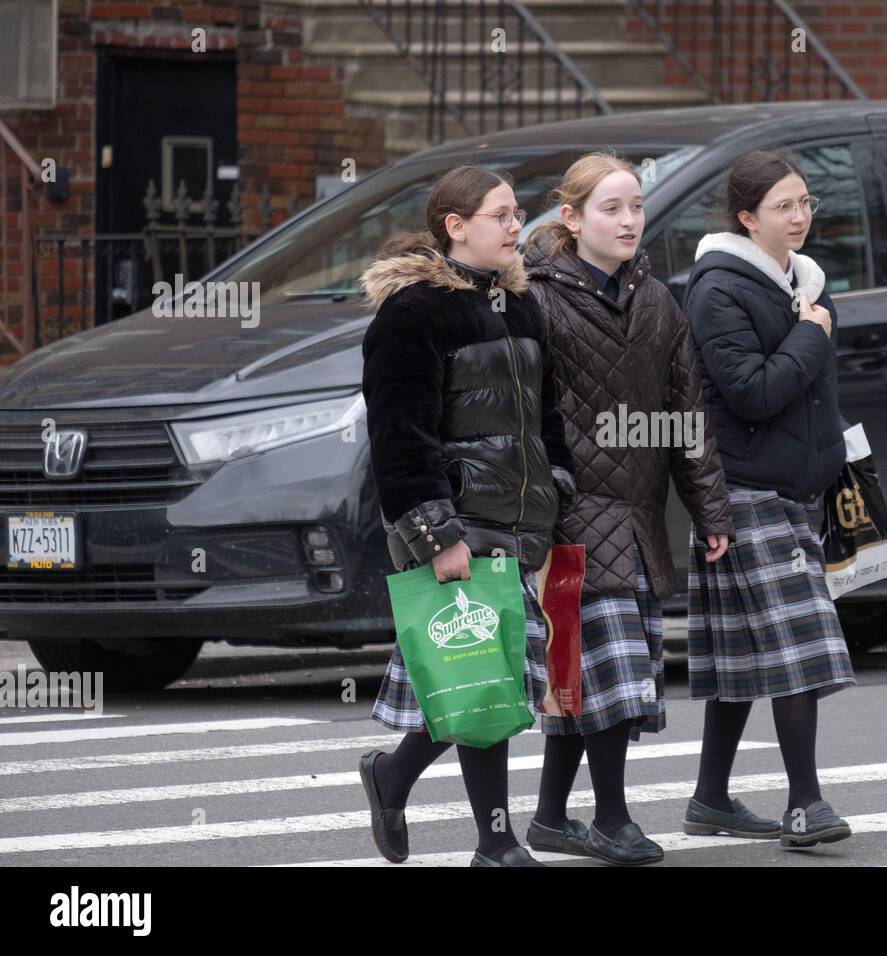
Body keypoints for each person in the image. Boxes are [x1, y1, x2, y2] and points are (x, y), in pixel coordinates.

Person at [355, 164, 577, 867]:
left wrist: (557, 493)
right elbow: (399, 437)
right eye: (502, 214)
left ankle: (392, 776)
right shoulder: (413, 313)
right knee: (490, 674)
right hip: (461, 522)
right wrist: (436, 535)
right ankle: (497, 843)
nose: (518, 226)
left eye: (517, 213)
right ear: (456, 227)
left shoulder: (523, 307)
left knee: (488, 675)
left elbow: (547, 422)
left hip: (520, 523)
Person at [518, 151, 735, 865]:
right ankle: (611, 819)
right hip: (567, 517)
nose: (629, 220)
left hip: (636, 517)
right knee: (604, 676)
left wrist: (712, 513)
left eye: (636, 206)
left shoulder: (657, 301)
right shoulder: (537, 297)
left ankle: (552, 817)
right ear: (571, 218)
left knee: (583, 675)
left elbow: (686, 417)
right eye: (611, 207)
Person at [682, 148, 857, 849]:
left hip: (794, 489)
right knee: (798, 646)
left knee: (744, 653)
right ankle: (806, 804)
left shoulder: (803, 281)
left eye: (806, 202)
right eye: (784, 205)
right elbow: (752, 391)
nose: (800, 216)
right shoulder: (718, 290)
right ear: (747, 216)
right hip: (745, 491)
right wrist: (813, 335)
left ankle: (710, 798)